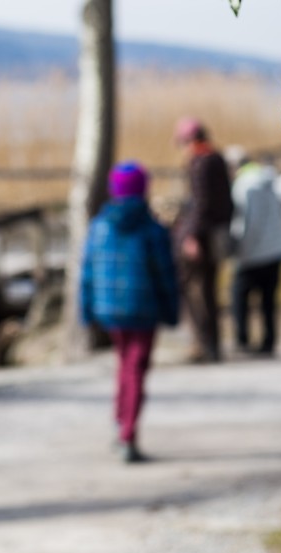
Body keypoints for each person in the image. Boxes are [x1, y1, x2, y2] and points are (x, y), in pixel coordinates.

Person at [80, 161, 179, 463]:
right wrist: (171, 310)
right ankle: (128, 435)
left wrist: (87, 310)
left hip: (110, 309)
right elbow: (165, 274)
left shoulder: (98, 226)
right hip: (143, 309)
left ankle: (119, 418)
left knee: (124, 363)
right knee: (135, 368)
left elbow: (87, 272)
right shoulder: (153, 230)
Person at [173, 118, 234, 363]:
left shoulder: (200, 163)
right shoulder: (217, 159)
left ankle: (203, 345)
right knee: (209, 289)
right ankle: (212, 345)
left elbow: (200, 204)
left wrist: (190, 235)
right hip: (215, 233)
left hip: (201, 237)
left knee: (195, 291)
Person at [230, 159, 281, 356]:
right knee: (268, 300)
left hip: (254, 252)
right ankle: (269, 342)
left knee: (239, 296)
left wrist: (240, 250)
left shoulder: (243, 186)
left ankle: (242, 340)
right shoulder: (269, 181)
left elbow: (248, 221)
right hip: (276, 249)